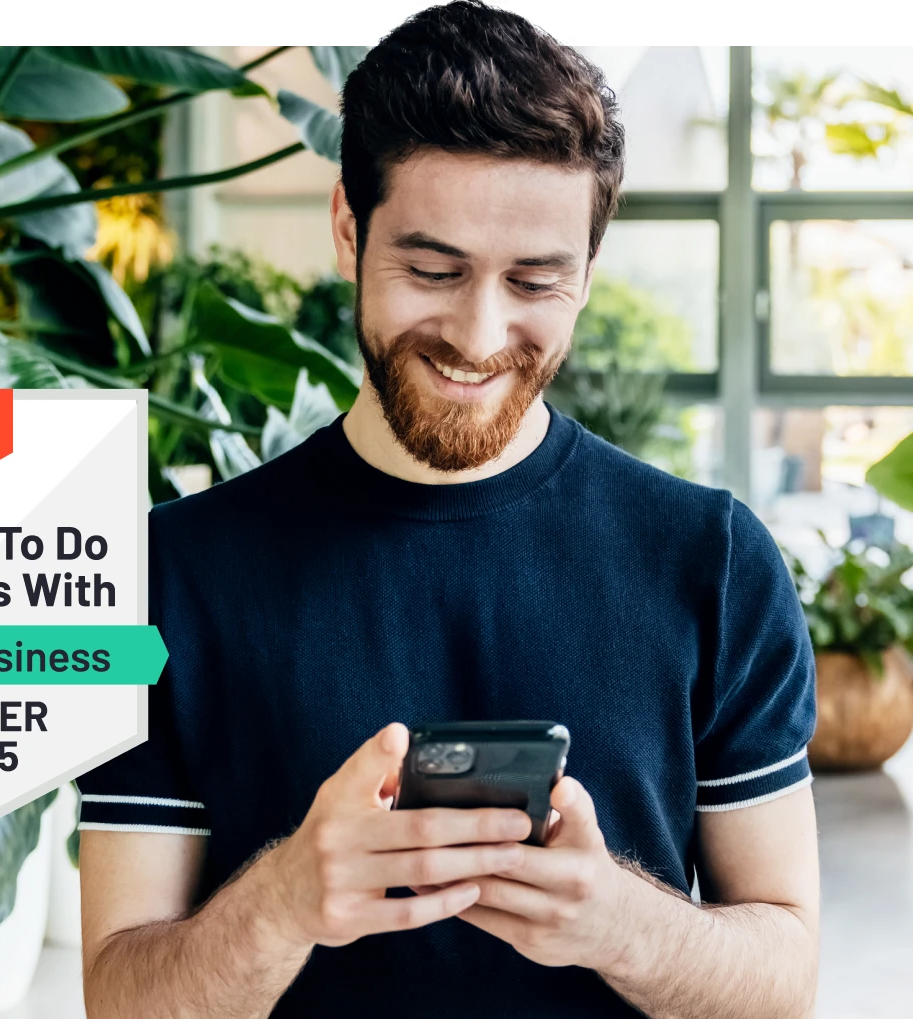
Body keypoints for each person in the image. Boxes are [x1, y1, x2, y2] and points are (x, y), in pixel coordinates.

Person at [75, 3, 820, 1016]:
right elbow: (120, 995)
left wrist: (614, 920)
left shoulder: (711, 561)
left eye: (534, 280)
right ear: (348, 227)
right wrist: (287, 898)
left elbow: (782, 979)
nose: (478, 333)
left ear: (587, 273)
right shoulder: (171, 573)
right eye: (431, 270)